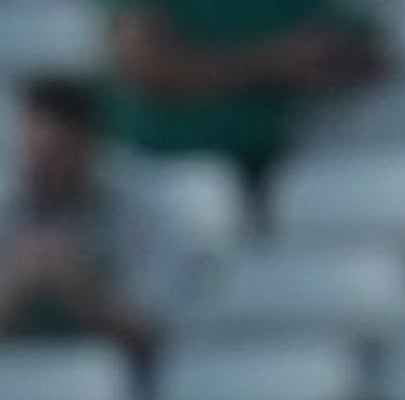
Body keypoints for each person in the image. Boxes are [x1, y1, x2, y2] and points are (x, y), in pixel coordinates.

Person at [95, 0, 383, 197]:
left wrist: (329, 57)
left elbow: (359, 47)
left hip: (280, 158)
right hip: (161, 166)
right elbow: (147, 67)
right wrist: (273, 62)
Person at [0, 76, 157, 357]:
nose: (39, 166)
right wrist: (18, 290)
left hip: (112, 375)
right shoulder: (6, 210)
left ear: (89, 147)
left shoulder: (136, 217)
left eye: (55, 154)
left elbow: (153, 339)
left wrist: (80, 288)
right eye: (32, 152)